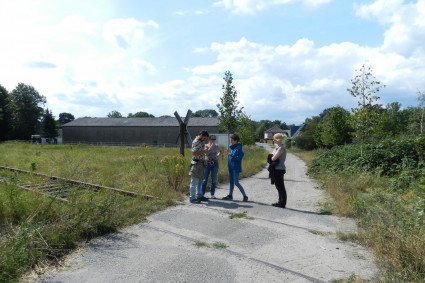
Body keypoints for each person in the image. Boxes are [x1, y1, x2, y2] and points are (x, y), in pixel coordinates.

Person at [222, 133, 248, 202]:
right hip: (230, 167)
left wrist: (230, 154)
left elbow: (239, 158)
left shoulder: (238, 148)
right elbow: (230, 157)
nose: (230, 141)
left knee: (236, 182)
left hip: (235, 167)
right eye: (230, 140)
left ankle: (245, 196)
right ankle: (230, 195)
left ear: (236, 141)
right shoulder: (232, 147)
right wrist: (230, 154)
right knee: (231, 182)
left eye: (232, 140)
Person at [189, 130, 210, 203]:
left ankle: (199, 195)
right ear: (201, 135)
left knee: (200, 181)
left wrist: (205, 151)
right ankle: (192, 198)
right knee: (194, 181)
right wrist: (204, 151)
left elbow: (201, 151)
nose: (205, 140)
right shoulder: (196, 142)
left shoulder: (201, 141)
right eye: (205, 138)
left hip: (201, 163)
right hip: (196, 163)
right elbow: (194, 153)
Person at [200, 135, 221, 199]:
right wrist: (211, 146)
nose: (213, 140)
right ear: (209, 139)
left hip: (215, 163)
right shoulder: (206, 145)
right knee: (204, 179)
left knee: (213, 179)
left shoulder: (217, 145)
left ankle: (212, 194)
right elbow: (206, 154)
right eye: (212, 139)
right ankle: (202, 194)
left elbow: (220, 152)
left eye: (214, 139)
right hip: (207, 163)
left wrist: (218, 155)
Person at [270, 133, 287, 208]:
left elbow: (273, 158)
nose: (273, 140)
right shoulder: (277, 147)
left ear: (278, 140)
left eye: (274, 139)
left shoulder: (281, 148)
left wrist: (270, 157)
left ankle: (282, 203)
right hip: (276, 169)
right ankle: (280, 201)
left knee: (280, 186)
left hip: (279, 169)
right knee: (278, 186)